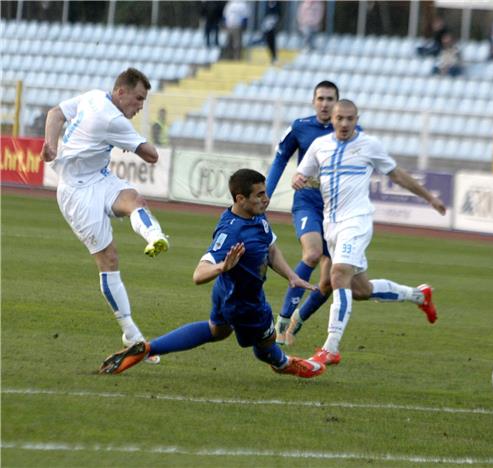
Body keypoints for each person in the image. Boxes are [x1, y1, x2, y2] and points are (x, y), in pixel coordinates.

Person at [99, 169, 326, 379]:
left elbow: (271, 248)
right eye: (259, 194)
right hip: (245, 302)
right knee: (266, 345)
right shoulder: (232, 232)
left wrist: (291, 276)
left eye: (265, 193)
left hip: (227, 293)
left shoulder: (255, 215)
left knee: (216, 330)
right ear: (240, 199)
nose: (266, 199)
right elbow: (199, 274)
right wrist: (220, 267)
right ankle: (285, 363)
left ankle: (149, 348)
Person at [292, 100, 447, 366]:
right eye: (339, 118)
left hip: (358, 221)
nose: (343, 124)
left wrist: (429, 198)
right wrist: (298, 179)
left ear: (356, 120)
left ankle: (331, 346)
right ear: (333, 120)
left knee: (337, 274)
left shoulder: (369, 145)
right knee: (361, 290)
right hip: (332, 225)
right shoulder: (319, 146)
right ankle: (419, 295)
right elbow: (302, 174)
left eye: (349, 119)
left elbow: (397, 174)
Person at [41, 67, 169, 364]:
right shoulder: (111, 117)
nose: (139, 106)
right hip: (76, 193)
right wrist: (131, 142)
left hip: (99, 177)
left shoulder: (93, 96)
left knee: (135, 199)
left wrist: (51, 145)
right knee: (108, 259)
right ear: (120, 92)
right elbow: (152, 155)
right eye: (138, 99)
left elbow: (55, 113)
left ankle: (156, 237)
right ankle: (131, 333)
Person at [266, 81, 342, 346]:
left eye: (330, 99)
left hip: (337, 208)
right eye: (320, 98)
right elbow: (280, 159)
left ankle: (297, 321)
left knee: (329, 280)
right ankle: (283, 320)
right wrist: (266, 194)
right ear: (313, 101)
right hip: (307, 201)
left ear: (337, 103)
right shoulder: (300, 127)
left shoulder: (350, 133)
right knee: (311, 253)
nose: (324, 103)